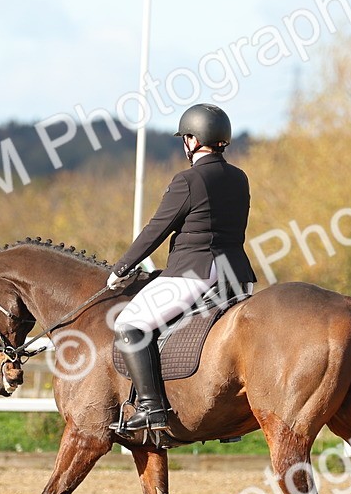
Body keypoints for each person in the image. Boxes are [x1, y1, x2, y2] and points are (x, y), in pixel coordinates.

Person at [106, 103, 257, 431]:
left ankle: (150, 408)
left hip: (195, 271)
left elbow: (156, 229)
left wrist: (121, 268)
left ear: (193, 139)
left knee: (130, 323)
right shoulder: (239, 177)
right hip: (237, 276)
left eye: (185, 137)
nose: (184, 143)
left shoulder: (188, 180)